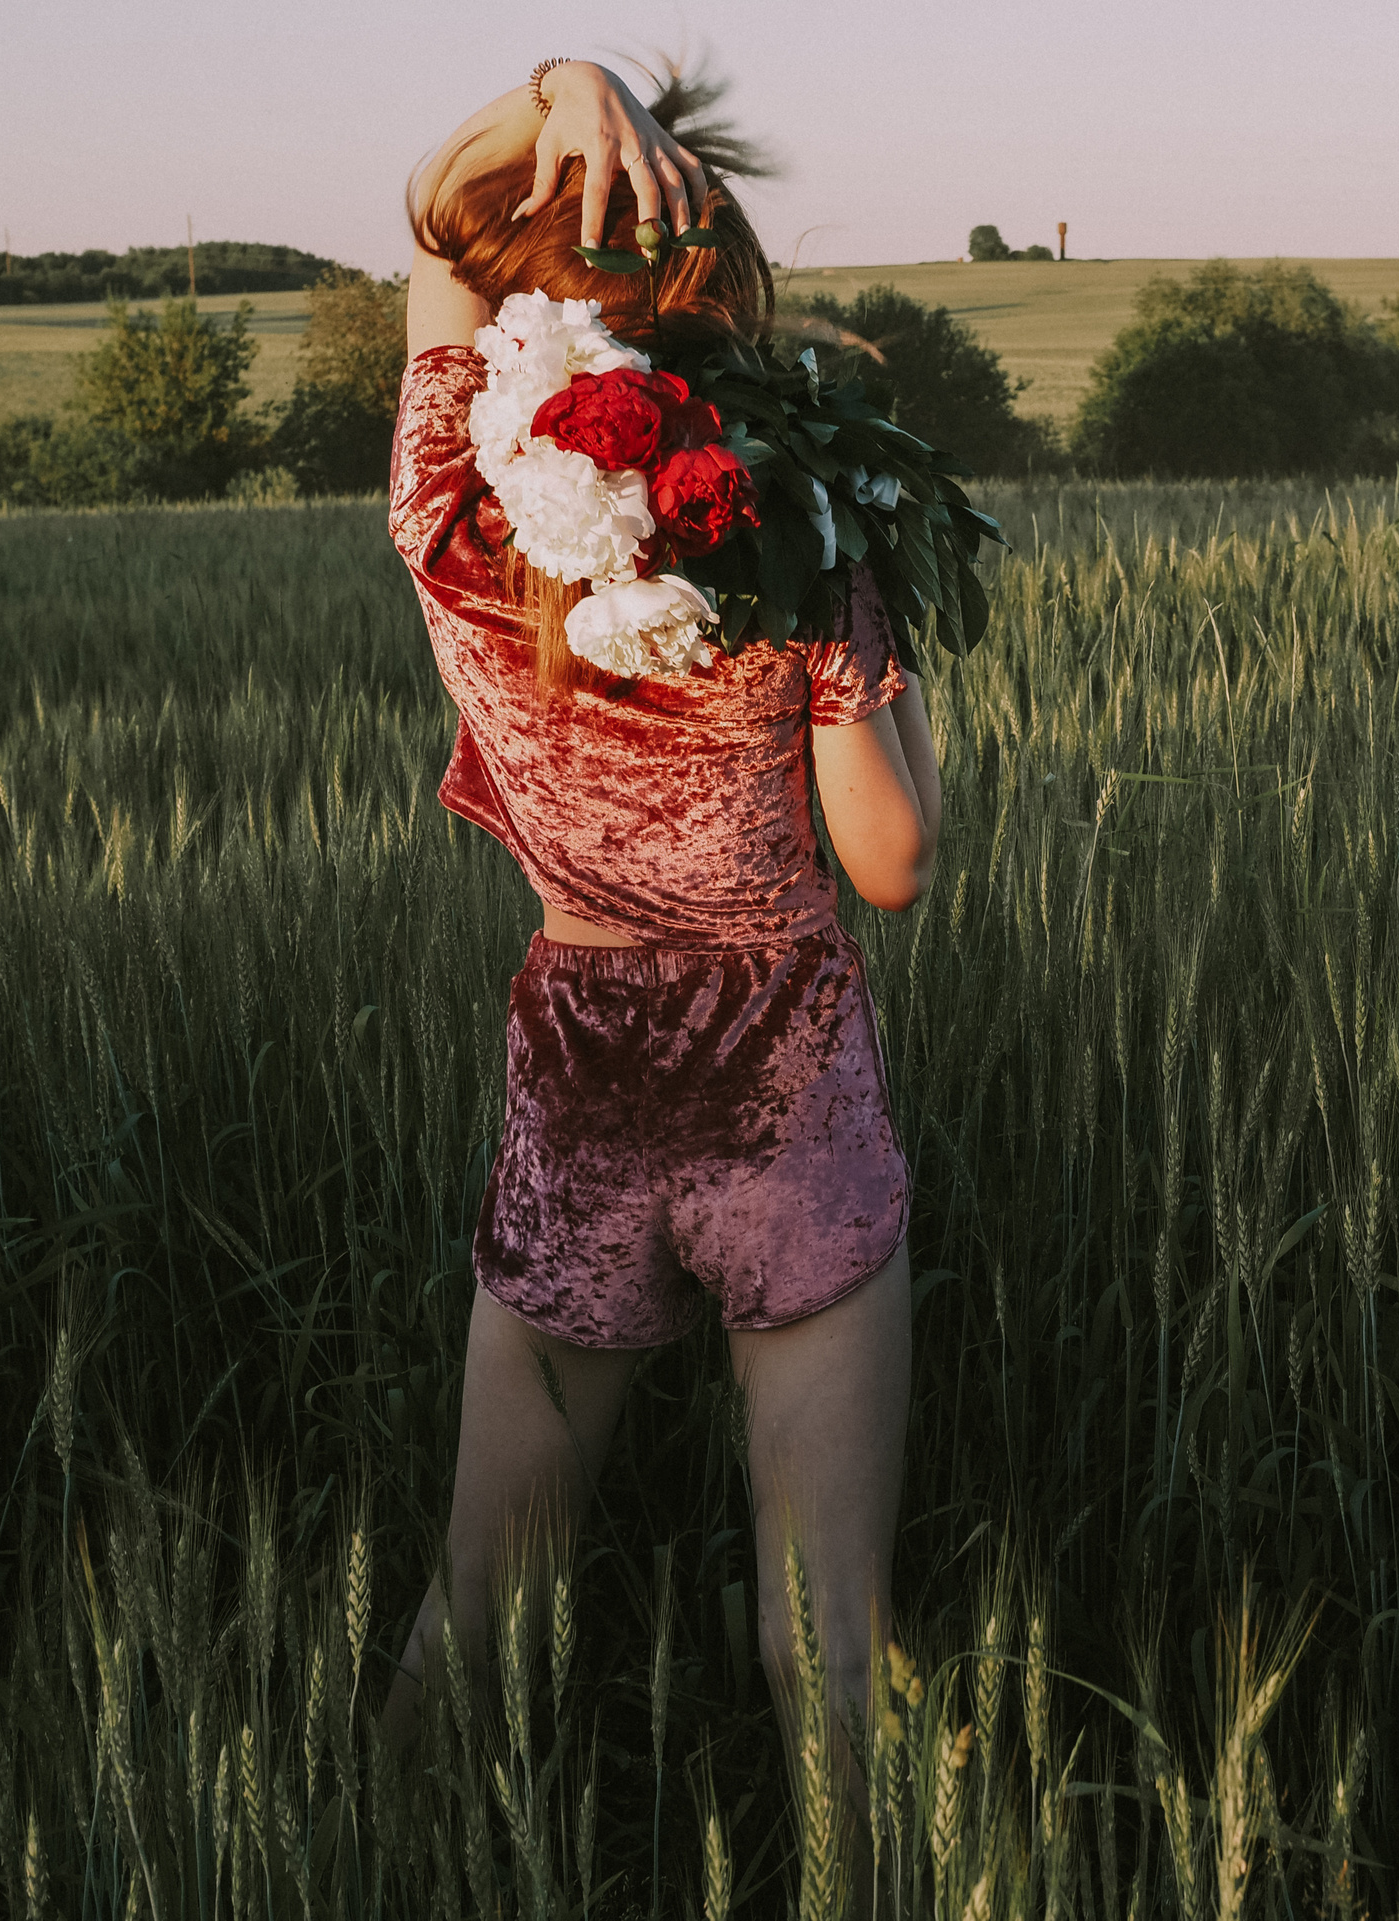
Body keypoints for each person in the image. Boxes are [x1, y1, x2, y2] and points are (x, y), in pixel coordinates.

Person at [378, 57, 941, 1772]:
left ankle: (365, 1865)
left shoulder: (451, 521)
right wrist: (878, 618)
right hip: (782, 1078)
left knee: (472, 1612)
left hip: (584, 1069)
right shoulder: (794, 541)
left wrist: (567, 92)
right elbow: (895, 857)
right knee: (826, 1656)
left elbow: (431, 233)